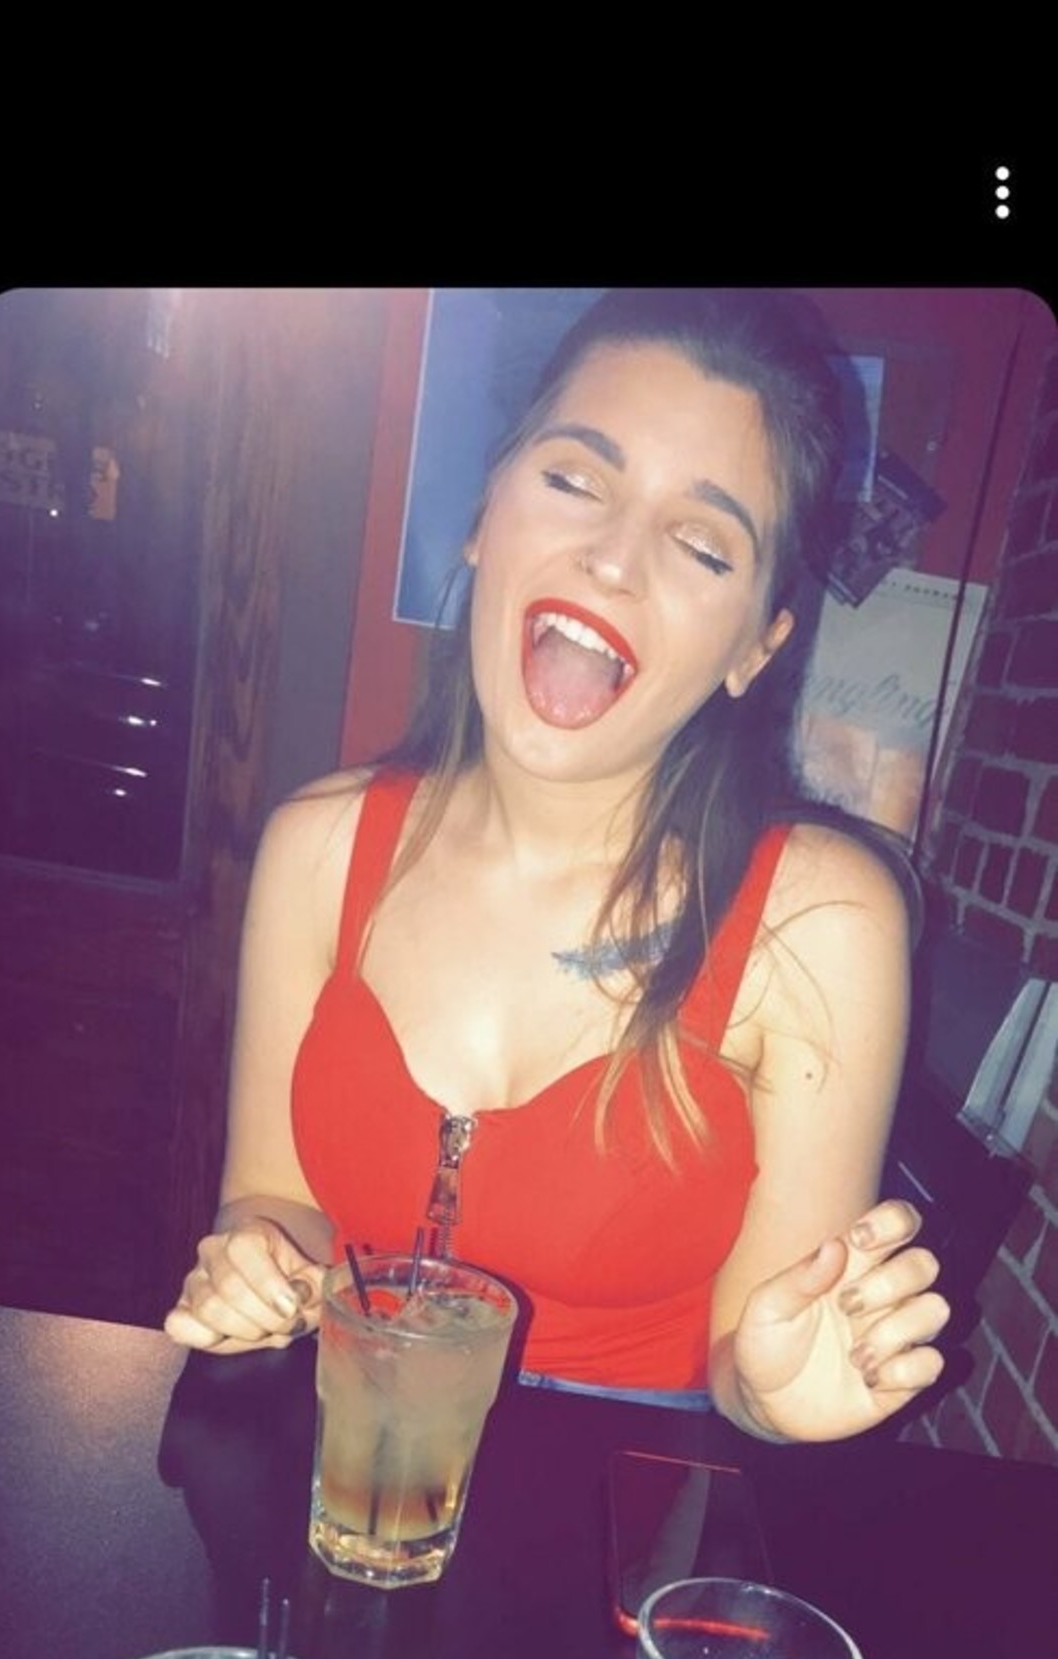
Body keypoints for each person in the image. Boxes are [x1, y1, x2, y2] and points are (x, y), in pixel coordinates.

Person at [165, 287, 950, 1445]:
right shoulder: (315, 848)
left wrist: (775, 1397)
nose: (614, 561)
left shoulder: (821, 920)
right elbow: (272, 1194)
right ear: (486, 515)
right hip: (348, 1462)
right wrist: (263, 1261)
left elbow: (756, 1354)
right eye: (576, 481)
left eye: (702, 543)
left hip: (625, 1501)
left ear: (756, 645)